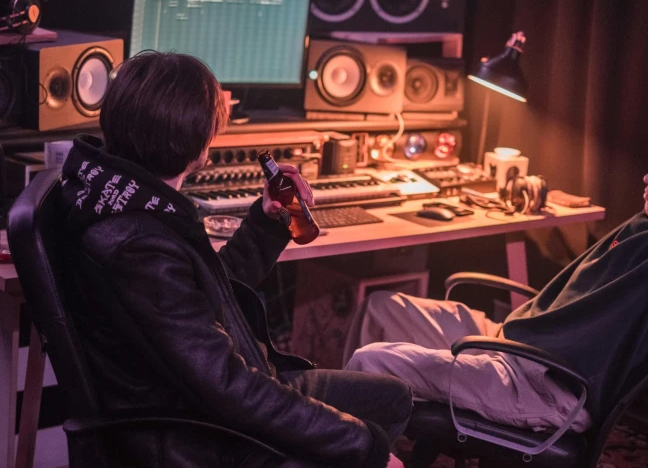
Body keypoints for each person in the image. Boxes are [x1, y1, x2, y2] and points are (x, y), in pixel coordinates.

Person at [58, 51, 411, 468]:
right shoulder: (139, 245)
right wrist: (364, 449)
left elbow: (203, 295)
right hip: (199, 433)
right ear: (199, 140)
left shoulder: (125, 197)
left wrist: (265, 224)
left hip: (211, 396)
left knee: (391, 397)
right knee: (369, 435)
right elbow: (228, 386)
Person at [345, 112, 648, 433]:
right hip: (508, 341)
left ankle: (347, 448)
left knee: (373, 360)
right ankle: (354, 443)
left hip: (546, 386)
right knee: (381, 307)